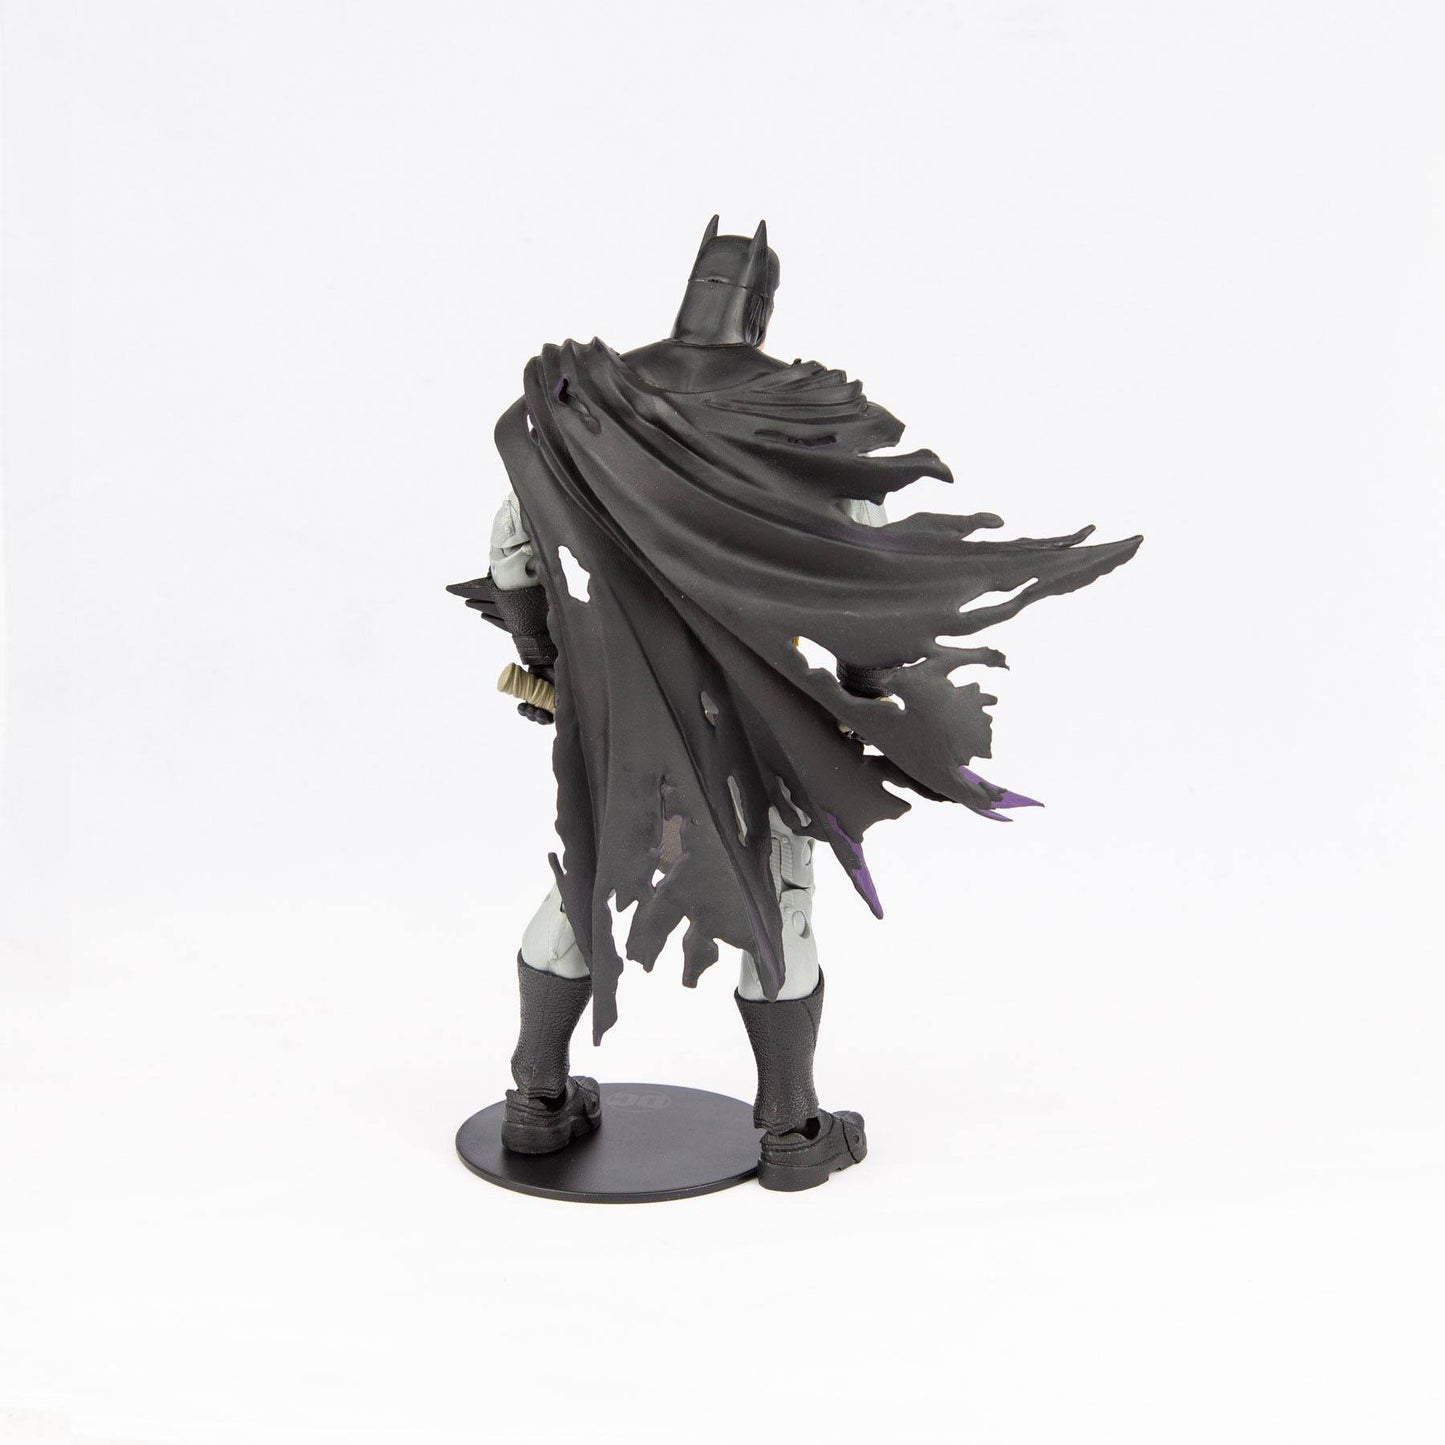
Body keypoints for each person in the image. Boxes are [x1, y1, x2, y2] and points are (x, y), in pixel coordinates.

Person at [450, 218, 1140, 1190]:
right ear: (761, 308)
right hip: (752, 716)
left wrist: (540, 656)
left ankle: (535, 1097)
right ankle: (790, 1127)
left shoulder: (586, 404)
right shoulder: (804, 420)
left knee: (585, 876)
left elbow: (513, 544)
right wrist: (863, 695)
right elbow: (862, 583)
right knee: (776, 898)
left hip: (619, 711)